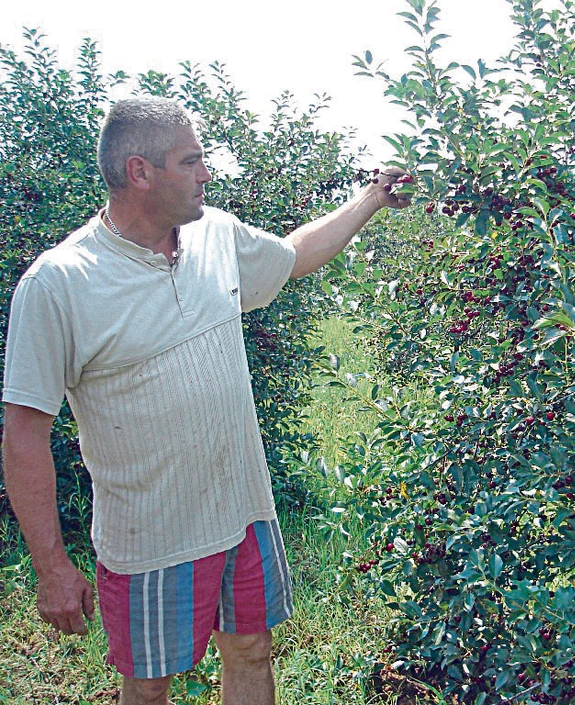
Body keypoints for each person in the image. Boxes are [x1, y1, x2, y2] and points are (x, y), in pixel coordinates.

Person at [1, 97, 410, 705]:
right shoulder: (60, 282)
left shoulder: (215, 234)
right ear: (140, 172)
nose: (206, 173)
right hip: (151, 537)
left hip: (242, 511)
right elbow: (24, 432)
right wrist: (53, 566)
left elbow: (294, 256)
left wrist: (374, 197)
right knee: (148, 686)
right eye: (191, 161)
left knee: (252, 650)